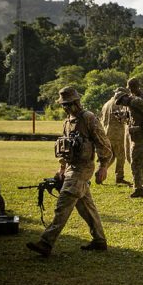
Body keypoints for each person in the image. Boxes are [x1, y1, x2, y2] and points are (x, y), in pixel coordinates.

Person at [26, 86, 112, 257]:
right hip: (72, 168)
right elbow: (65, 146)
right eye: (63, 105)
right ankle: (99, 240)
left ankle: (46, 242)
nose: (65, 107)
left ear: (76, 102)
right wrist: (62, 167)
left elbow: (103, 143)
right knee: (85, 205)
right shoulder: (67, 122)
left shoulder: (88, 118)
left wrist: (103, 166)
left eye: (68, 104)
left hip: (84, 168)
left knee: (63, 203)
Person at [115, 86, 143, 197]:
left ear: (125, 98)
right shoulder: (132, 104)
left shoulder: (136, 102)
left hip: (141, 136)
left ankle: (138, 188)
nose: (122, 104)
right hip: (138, 136)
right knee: (141, 162)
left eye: (121, 101)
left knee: (135, 162)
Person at [100, 87, 130, 184]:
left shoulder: (106, 104)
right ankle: (119, 177)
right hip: (118, 134)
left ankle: (100, 173)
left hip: (106, 133)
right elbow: (124, 118)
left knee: (110, 156)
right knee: (121, 156)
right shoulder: (120, 103)